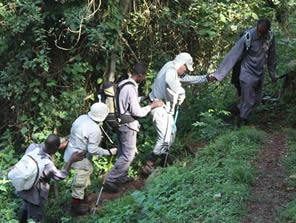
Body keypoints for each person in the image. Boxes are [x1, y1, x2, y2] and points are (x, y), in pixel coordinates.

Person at [143, 52, 212, 174]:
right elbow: (171, 81)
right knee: (164, 137)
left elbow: (187, 79)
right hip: (159, 108)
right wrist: (181, 93)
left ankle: (164, 159)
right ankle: (149, 165)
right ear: (181, 64)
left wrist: (205, 78)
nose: (186, 70)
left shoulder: (171, 67)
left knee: (171, 135)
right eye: (185, 67)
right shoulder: (170, 71)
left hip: (166, 109)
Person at [103, 63, 164, 193]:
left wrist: (145, 98)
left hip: (119, 123)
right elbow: (137, 112)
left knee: (122, 152)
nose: (144, 78)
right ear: (140, 75)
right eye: (144, 76)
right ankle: (109, 179)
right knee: (128, 155)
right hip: (127, 126)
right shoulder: (131, 88)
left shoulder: (123, 83)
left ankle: (121, 177)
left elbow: (128, 101)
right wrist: (152, 106)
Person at [211, 18, 276, 126]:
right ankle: (242, 124)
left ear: (267, 30)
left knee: (256, 100)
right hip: (247, 72)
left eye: (263, 32)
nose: (260, 34)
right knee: (248, 100)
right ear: (257, 27)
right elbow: (232, 56)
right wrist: (218, 75)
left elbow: (272, 55)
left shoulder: (270, 37)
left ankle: (233, 111)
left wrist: (272, 73)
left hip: (260, 72)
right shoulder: (248, 37)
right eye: (259, 31)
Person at [63, 102, 117, 215]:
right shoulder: (95, 129)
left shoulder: (82, 117)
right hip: (80, 157)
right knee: (80, 181)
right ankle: (75, 207)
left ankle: (82, 198)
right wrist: (108, 152)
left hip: (71, 151)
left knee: (85, 174)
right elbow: (93, 150)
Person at [17, 134, 84, 223]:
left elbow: (48, 146)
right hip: (35, 196)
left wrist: (63, 141)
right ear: (54, 148)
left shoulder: (33, 147)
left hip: (24, 188)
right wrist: (71, 160)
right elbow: (60, 176)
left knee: (25, 209)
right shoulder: (47, 164)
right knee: (34, 219)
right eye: (56, 149)